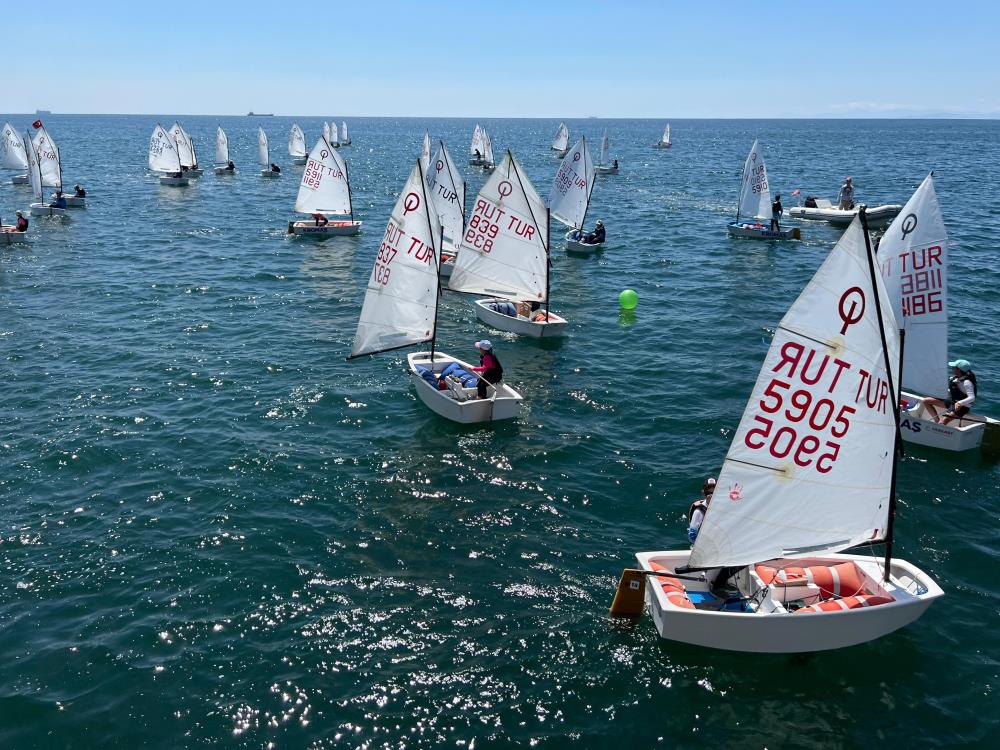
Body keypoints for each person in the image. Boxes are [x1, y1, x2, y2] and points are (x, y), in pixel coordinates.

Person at [923, 359, 977, 424]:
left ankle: (939, 424)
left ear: (959, 369)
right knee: (926, 401)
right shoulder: (956, 379)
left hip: (961, 407)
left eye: (953, 367)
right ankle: (936, 421)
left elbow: (972, 397)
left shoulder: (967, 382)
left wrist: (960, 403)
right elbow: (952, 391)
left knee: (942, 422)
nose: (952, 368)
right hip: (951, 402)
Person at [687, 477, 716, 544]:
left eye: (714, 492)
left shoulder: (722, 508)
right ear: (703, 493)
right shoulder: (699, 512)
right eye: (708, 492)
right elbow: (692, 535)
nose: (711, 495)